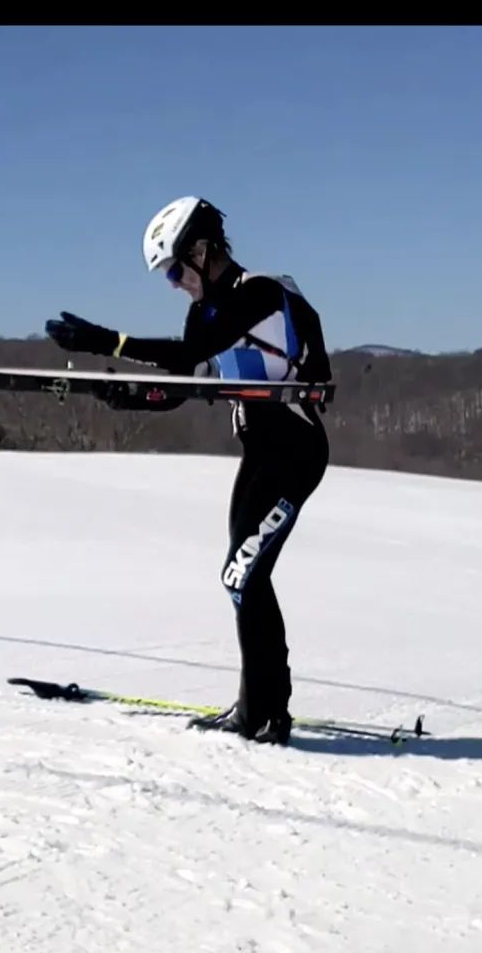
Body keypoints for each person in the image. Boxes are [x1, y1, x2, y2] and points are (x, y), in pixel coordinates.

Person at [42, 195, 331, 745]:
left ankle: (263, 714)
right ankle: (264, 708)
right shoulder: (204, 313)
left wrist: (109, 342)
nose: (175, 284)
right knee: (244, 580)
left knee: (242, 575)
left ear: (201, 251)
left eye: (176, 270)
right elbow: (185, 383)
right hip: (261, 453)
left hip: (295, 450)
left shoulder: (259, 293)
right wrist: (127, 397)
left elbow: (188, 355)